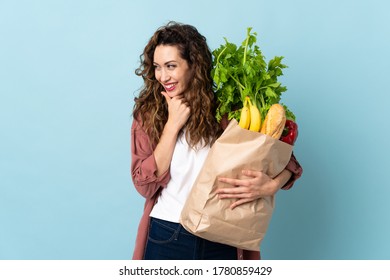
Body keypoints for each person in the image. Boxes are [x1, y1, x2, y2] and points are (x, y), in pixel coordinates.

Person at [130, 21, 303, 260]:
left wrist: (270, 185)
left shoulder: (227, 111)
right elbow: (144, 184)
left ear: (194, 66)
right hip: (168, 233)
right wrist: (172, 125)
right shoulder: (149, 114)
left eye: (171, 66)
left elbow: (287, 161)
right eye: (157, 67)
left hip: (223, 234)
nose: (162, 76)